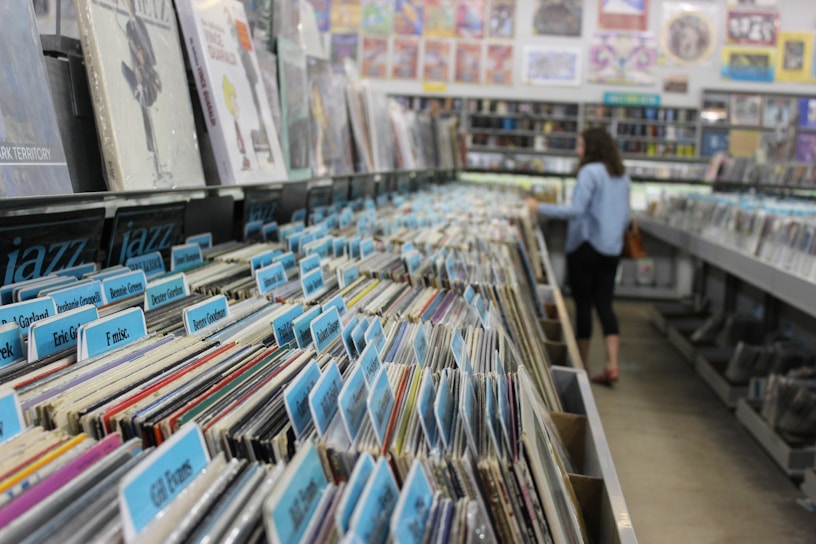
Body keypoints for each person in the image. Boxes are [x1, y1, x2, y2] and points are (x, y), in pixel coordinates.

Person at [526, 127, 631, 386]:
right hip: (612, 249)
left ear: (592, 147)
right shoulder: (621, 174)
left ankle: (582, 367)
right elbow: (626, 216)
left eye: (581, 145)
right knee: (605, 304)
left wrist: (539, 207)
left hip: (586, 246)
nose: (578, 150)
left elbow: (575, 210)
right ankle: (612, 365)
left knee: (583, 305)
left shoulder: (589, 172)